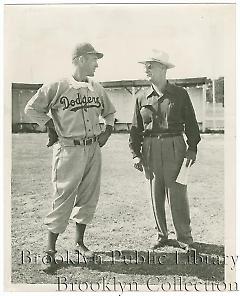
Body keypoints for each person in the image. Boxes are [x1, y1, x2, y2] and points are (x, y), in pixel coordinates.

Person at [25, 42, 116, 270]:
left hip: (92, 148)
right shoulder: (57, 85)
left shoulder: (97, 87)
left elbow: (110, 112)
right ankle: (50, 251)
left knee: (88, 197)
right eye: (94, 59)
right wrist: (50, 126)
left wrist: (107, 130)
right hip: (68, 148)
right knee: (63, 197)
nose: (97, 64)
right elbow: (32, 108)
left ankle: (79, 243)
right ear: (82, 59)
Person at [129, 49, 201, 250]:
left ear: (163, 68)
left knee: (177, 193)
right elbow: (135, 129)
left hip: (175, 145)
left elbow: (192, 125)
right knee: (155, 193)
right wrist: (135, 154)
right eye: (145, 66)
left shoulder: (180, 94)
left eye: (151, 65)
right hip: (150, 147)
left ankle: (185, 238)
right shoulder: (141, 97)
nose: (146, 69)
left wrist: (192, 148)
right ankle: (161, 235)